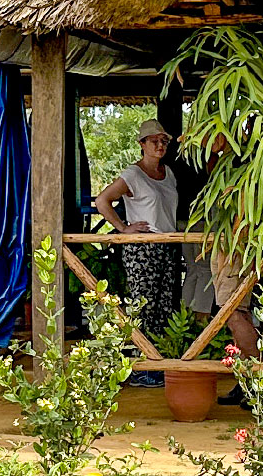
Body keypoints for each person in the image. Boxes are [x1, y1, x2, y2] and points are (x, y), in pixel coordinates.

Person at [91, 119, 183, 387]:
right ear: (142, 144)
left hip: (167, 245)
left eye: (164, 141)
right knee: (142, 306)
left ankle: (157, 363)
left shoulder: (168, 173)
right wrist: (122, 228)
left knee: (164, 307)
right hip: (143, 247)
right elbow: (102, 200)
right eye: (153, 140)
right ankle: (138, 366)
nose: (159, 145)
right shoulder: (133, 174)